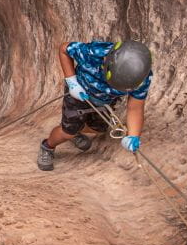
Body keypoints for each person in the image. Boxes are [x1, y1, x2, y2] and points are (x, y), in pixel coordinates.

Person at [37, 39, 152, 171]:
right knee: (67, 132)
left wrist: (133, 136)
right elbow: (64, 49)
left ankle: (76, 129)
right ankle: (48, 146)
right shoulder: (93, 52)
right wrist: (72, 81)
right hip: (78, 93)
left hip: (104, 101)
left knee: (98, 129)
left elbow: (135, 108)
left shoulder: (141, 79)